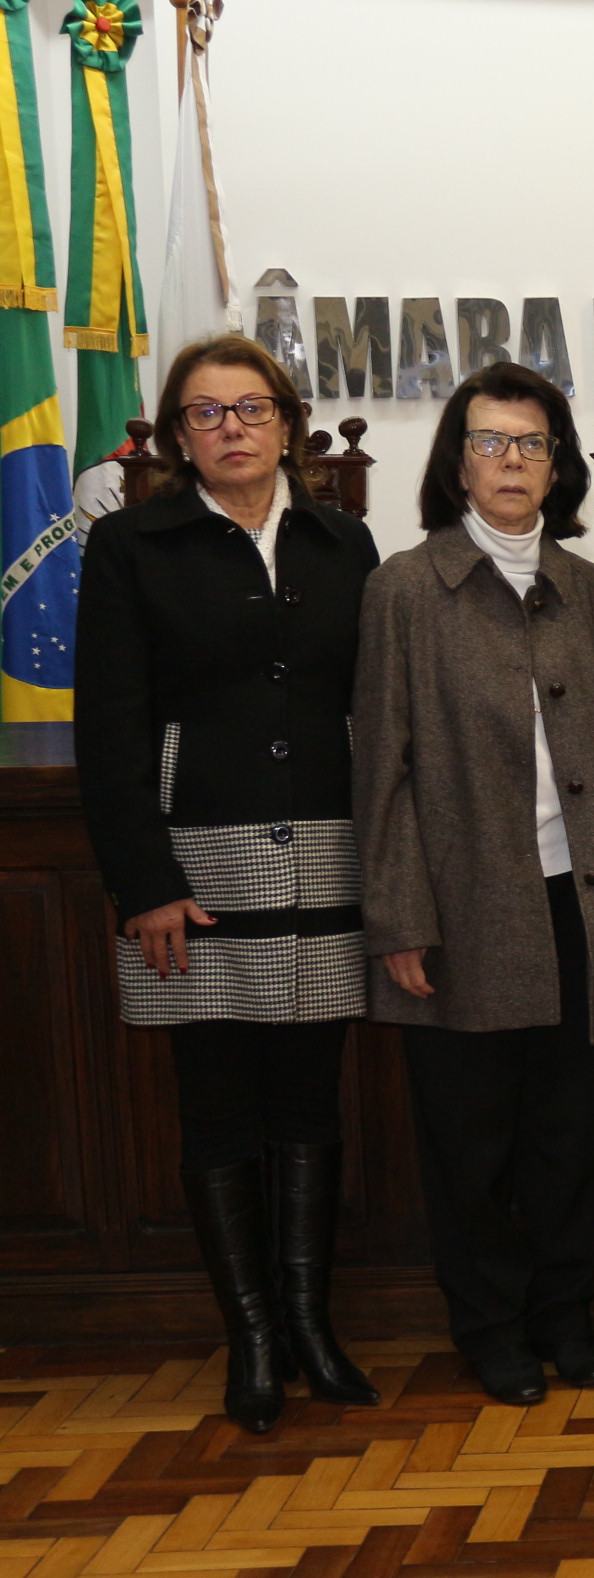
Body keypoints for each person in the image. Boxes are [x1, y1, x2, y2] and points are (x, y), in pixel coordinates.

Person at [74, 335, 383, 1432]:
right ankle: (249, 1336)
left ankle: (309, 1323)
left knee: (309, 1095)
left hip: (329, 847)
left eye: (251, 409)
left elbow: (374, 709)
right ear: (177, 437)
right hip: (193, 858)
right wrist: (142, 881)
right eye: (206, 415)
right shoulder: (130, 545)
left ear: (289, 422)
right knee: (217, 1105)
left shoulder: (344, 540)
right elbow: (106, 725)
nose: (233, 429)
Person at [352, 362, 594, 1405]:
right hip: (460, 914)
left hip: (582, 901)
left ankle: (565, 1317)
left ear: (559, 465)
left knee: (570, 1136)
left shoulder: (593, 593)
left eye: (533, 444)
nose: (513, 461)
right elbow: (379, 765)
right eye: (492, 442)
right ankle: (490, 1328)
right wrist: (396, 914)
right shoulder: (404, 588)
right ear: (457, 462)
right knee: (471, 1144)